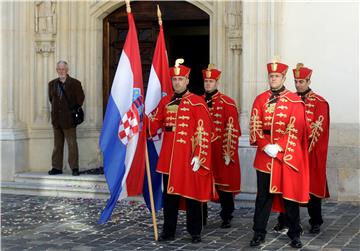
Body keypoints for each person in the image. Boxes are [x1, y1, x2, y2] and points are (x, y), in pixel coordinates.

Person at [147, 59, 215, 243]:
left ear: (187, 80)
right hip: (169, 156)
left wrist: (199, 156)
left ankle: (195, 231)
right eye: (174, 79)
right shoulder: (165, 100)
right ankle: (168, 231)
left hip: (188, 155)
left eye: (180, 79)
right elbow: (154, 123)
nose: (177, 82)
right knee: (170, 197)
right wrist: (142, 122)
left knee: (191, 195)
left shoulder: (197, 102)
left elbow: (204, 131)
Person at [249, 60, 310, 248]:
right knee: (263, 197)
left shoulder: (294, 100)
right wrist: (265, 145)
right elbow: (255, 124)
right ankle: (259, 232)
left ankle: (294, 233)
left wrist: (280, 146)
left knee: (289, 197)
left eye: (276, 76)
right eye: (271, 76)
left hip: (285, 155)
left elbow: (297, 128)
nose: (273, 79)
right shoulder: (260, 99)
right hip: (265, 155)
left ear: (283, 78)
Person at [273, 64, 330, 235]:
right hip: (290, 151)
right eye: (296, 81)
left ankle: (315, 221)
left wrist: (305, 149)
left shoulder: (319, 102)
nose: (298, 85)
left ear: (309, 81)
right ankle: (283, 221)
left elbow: (320, 128)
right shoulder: (288, 100)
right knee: (286, 187)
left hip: (309, 153)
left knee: (312, 188)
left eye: (302, 81)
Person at [202, 64, 241, 228]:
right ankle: (201, 216)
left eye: (211, 81)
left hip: (221, 151)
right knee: (202, 183)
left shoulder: (228, 103)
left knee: (224, 185)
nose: (208, 84)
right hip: (203, 150)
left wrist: (229, 153)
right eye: (206, 81)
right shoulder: (198, 101)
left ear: (217, 82)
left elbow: (232, 130)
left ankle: (227, 214)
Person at [48, 60, 85, 176]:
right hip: (56, 120)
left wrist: (69, 111)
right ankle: (56, 167)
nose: (61, 71)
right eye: (59, 69)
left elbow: (80, 99)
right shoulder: (52, 84)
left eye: (63, 69)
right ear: (56, 70)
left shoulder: (75, 83)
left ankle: (74, 167)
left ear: (67, 70)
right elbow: (51, 99)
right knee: (57, 145)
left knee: (72, 144)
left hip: (69, 120)